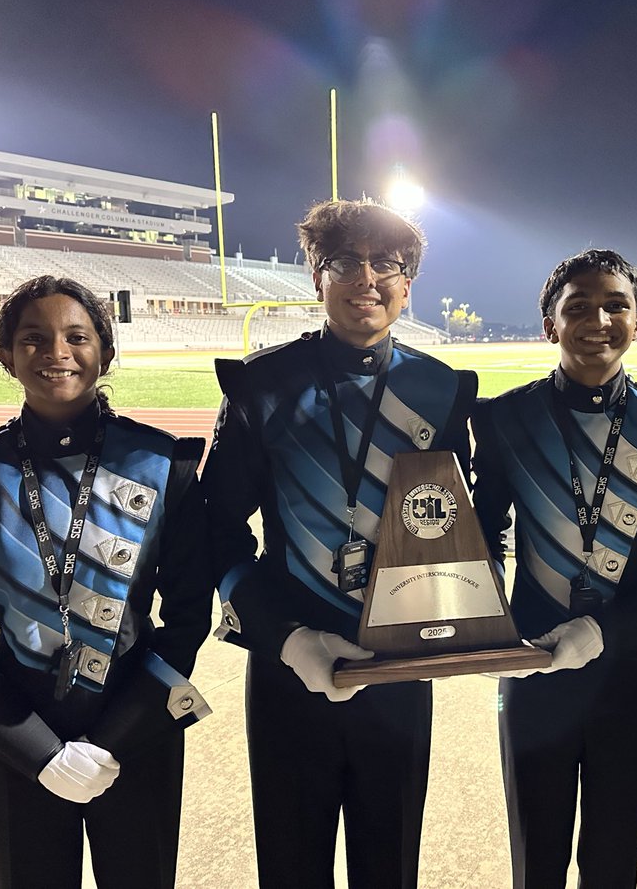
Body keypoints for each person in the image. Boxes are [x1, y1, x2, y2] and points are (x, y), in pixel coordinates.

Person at [203, 198, 476, 889]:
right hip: (290, 665)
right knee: (291, 866)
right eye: (345, 261)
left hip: (400, 665)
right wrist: (287, 638)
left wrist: (463, 620)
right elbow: (214, 532)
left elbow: (456, 527)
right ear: (315, 277)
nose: (367, 278)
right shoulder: (261, 384)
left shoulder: (441, 389)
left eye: (388, 263)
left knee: (392, 865)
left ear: (408, 283)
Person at [0, 276, 213, 888]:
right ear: (6, 355)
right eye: (34, 338)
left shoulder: (163, 463)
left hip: (136, 726)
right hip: (17, 732)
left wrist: (116, 738)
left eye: (77, 337)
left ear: (105, 350)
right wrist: (35, 751)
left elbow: (187, 617)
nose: (56, 352)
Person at [471, 249, 637, 888]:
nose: (598, 320)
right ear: (549, 325)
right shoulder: (503, 418)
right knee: (536, 859)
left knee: (614, 860)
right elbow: (481, 532)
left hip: (629, 670)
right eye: (577, 307)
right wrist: (485, 618)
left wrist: (609, 632)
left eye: (616, 306)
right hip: (532, 665)